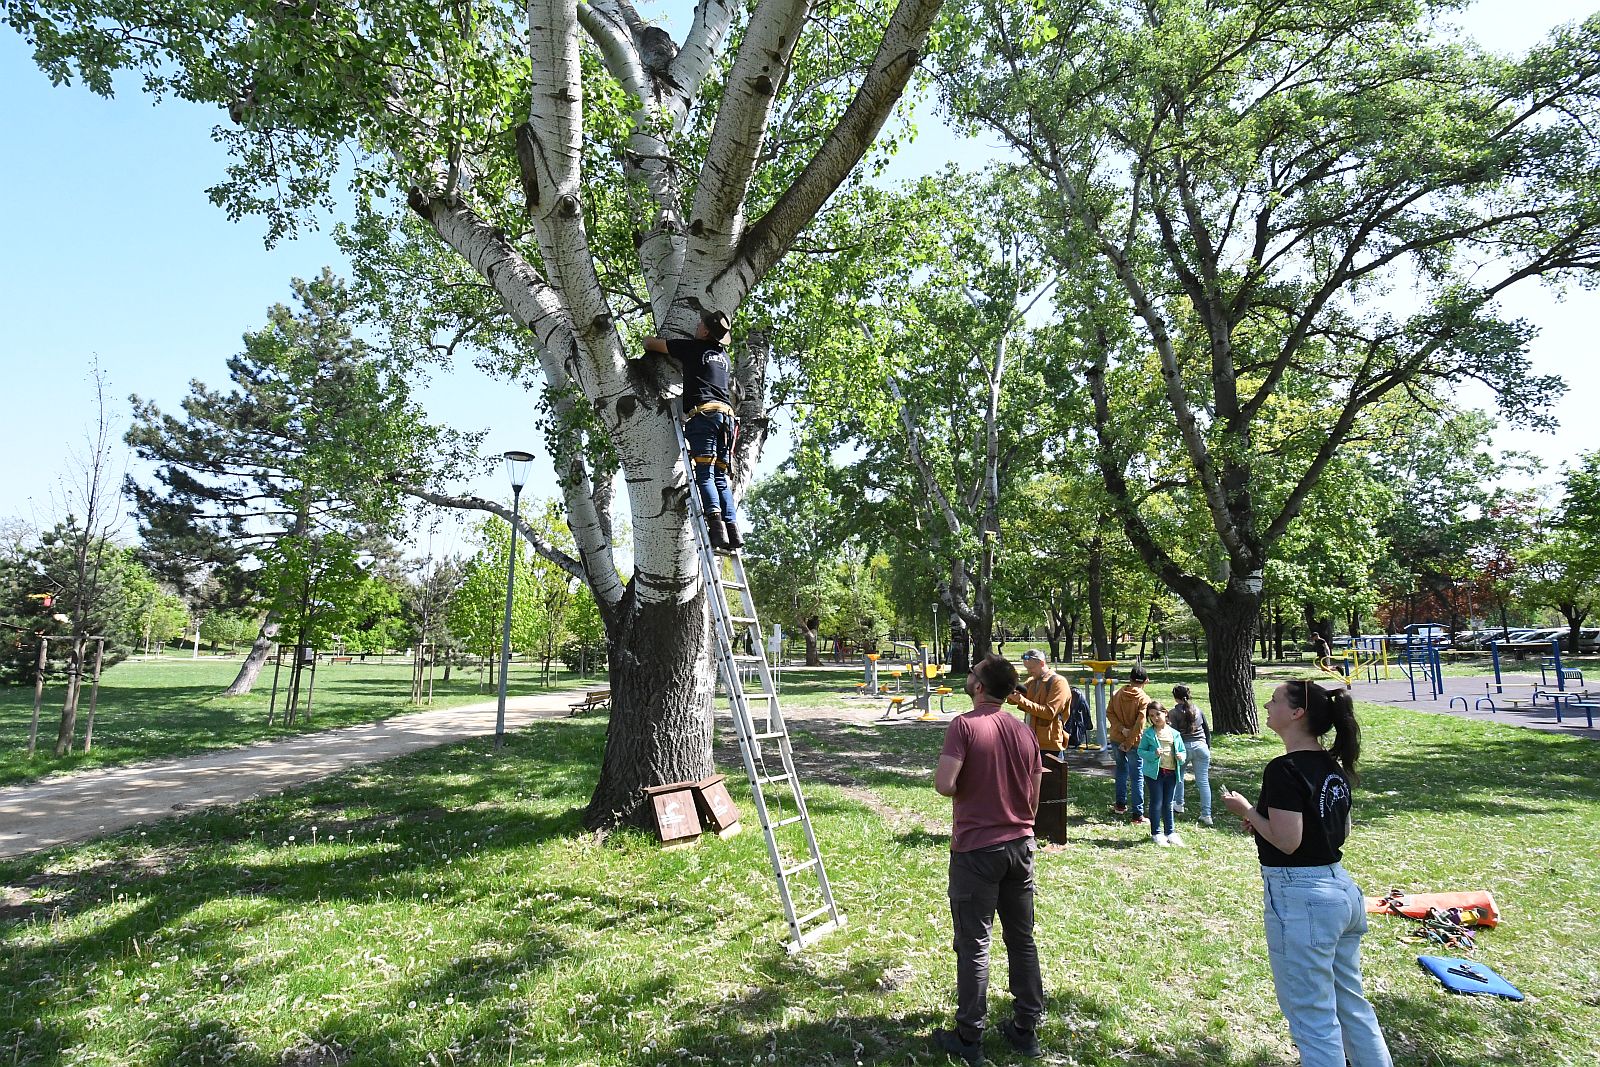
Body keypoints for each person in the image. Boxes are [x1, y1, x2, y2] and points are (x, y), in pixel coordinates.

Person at [1220, 681, 1393, 1067]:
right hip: (1341, 890)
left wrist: (1247, 811)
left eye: (1276, 699)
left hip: (1302, 897)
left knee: (1312, 1016)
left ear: (1297, 713)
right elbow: (1339, 828)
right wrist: (1265, 821)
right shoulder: (1333, 767)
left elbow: (1288, 842)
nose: (1267, 704)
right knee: (1351, 1004)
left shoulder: (1285, 769)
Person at [932, 654, 1046, 1065]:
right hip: (1021, 845)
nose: (969, 675)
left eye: (973, 672)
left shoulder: (963, 725)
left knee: (974, 942)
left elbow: (945, 784)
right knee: (1022, 938)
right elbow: (1034, 797)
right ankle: (1025, 1028)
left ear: (980, 686)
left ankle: (969, 1037)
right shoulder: (1024, 731)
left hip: (977, 849)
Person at [643, 308, 742, 550]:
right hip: (728, 419)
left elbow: (650, 344)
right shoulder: (725, 358)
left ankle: (716, 530)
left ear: (706, 331)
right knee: (720, 477)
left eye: (700, 324)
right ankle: (733, 530)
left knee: (705, 474)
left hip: (704, 416)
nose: (697, 325)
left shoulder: (691, 348)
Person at [1106, 664, 1152, 824]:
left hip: (1116, 738)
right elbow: (1140, 724)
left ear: (1130, 679)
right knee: (1137, 776)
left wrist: (1120, 729)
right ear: (1146, 681)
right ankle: (1137, 815)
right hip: (1134, 743)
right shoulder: (1144, 699)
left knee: (1120, 771)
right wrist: (1129, 741)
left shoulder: (1117, 693)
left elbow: (1109, 712)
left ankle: (1120, 805)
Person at [1136, 702, 1186, 845]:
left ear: (1165, 713)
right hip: (1154, 773)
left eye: (1158, 714)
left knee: (1168, 803)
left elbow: (1182, 751)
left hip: (1171, 772)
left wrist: (1181, 757)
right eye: (1151, 716)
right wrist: (1153, 754)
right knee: (1157, 802)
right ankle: (1156, 832)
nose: (1155, 718)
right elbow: (1141, 751)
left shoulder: (1174, 734)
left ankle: (1170, 832)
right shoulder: (1149, 734)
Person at [1006, 649, 1069, 754]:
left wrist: (1021, 700)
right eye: (1027, 668)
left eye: (1031, 668)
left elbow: (1049, 713)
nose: (1029, 672)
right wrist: (1008, 688)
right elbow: (1012, 700)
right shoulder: (1031, 681)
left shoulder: (1058, 682)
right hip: (1031, 742)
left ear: (1042, 663)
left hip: (1050, 745)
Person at [1169, 684, 1213, 826]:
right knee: (1203, 782)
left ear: (1175, 697)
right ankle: (1206, 814)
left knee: (1179, 777)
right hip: (1201, 747)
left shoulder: (1174, 713)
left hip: (1184, 748)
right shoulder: (1198, 710)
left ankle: (1179, 804)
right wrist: (1208, 747)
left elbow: (1174, 734)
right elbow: (1206, 730)